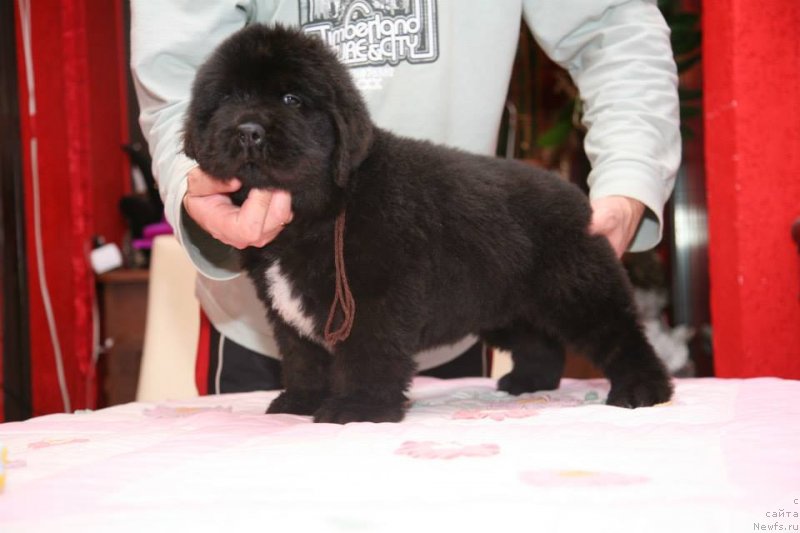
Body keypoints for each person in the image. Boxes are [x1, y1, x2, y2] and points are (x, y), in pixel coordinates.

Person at [130, 0, 680, 394]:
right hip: (255, 323)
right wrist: (192, 176)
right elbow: (177, 73)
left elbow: (612, 28)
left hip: (456, 276)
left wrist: (631, 175)